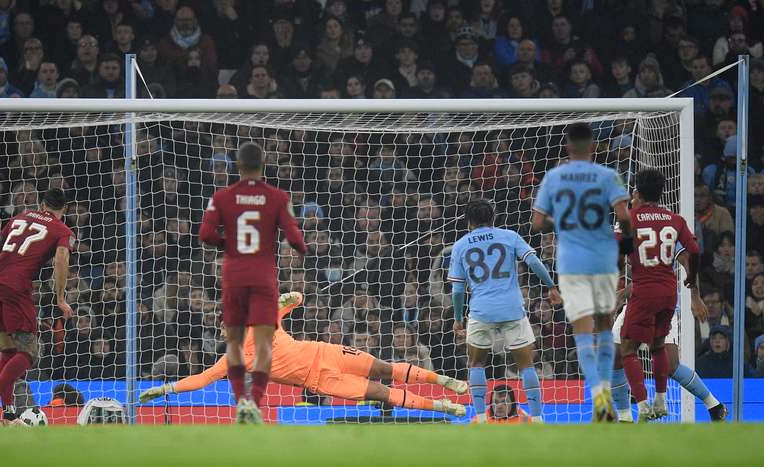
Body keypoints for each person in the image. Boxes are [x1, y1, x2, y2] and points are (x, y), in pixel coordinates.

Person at [140, 292, 469, 417]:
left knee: (383, 368)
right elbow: (201, 379)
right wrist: (168, 388)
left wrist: (292, 298)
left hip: (326, 352)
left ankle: (442, 379)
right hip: (320, 379)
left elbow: (289, 303)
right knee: (383, 393)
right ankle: (443, 407)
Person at [197, 141, 307, 424]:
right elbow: (295, 239)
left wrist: (228, 245)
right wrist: (302, 248)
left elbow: (206, 234)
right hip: (263, 277)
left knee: (233, 343)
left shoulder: (221, 197)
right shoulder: (279, 197)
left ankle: (240, 400)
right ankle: (254, 403)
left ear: (238, 166)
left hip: (234, 276)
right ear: (262, 165)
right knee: (262, 345)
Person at [531, 122, 633, 422]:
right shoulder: (607, 176)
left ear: (567, 147)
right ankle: (607, 396)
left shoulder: (555, 177)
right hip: (603, 260)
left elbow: (537, 224)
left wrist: (561, 221)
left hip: (572, 262)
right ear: (593, 147)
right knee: (604, 328)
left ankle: (600, 398)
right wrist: (626, 241)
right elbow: (624, 217)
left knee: (583, 331)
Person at [449, 198, 560, 423]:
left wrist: (458, 318)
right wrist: (551, 287)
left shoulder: (460, 245)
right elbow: (535, 263)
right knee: (526, 365)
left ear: (468, 221)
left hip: (481, 312)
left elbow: (458, 290)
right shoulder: (510, 236)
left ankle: (480, 417)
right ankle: (538, 420)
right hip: (511, 309)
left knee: (476, 364)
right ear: (493, 217)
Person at [611, 169, 706, 422]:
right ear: (662, 192)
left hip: (644, 291)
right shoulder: (675, 219)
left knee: (628, 348)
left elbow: (618, 257)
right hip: (669, 292)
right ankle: (661, 400)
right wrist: (691, 280)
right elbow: (694, 250)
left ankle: (642, 405)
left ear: (638, 192)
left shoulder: (629, 219)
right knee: (657, 345)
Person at [0, 188, 75, 426]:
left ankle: (9, 414)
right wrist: (60, 297)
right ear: (65, 209)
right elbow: (61, 259)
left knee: (8, 349)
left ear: (42, 205)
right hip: (16, 289)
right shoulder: (63, 230)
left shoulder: (18, 218)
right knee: (31, 352)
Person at [611, 246, 728, 422]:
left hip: (663, 307)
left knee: (671, 366)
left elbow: (688, 262)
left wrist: (695, 297)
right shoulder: (636, 230)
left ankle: (714, 405)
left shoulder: (669, 231)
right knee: (615, 357)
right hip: (636, 306)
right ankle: (625, 417)